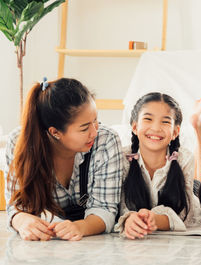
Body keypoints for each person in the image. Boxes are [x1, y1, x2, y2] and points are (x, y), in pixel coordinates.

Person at [4, 78, 123, 241]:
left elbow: (106, 209)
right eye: (84, 128)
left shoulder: (106, 141)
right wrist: (21, 220)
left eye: (95, 120)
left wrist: (80, 227)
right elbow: (17, 207)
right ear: (55, 132)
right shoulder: (19, 142)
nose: (95, 132)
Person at [115, 92, 201, 240]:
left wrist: (154, 219)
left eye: (165, 121)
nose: (156, 128)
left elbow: (185, 213)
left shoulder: (184, 157)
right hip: (146, 204)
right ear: (135, 127)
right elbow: (121, 206)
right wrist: (130, 219)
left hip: (183, 191)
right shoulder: (122, 158)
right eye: (148, 119)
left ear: (175, 132)